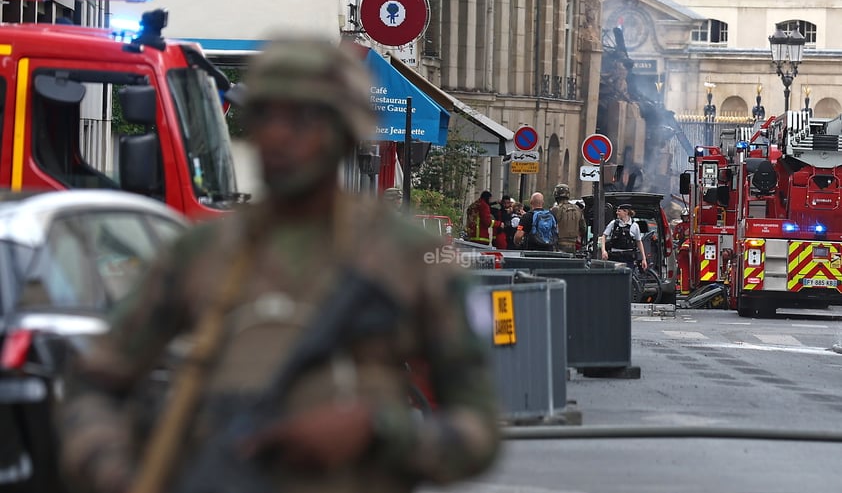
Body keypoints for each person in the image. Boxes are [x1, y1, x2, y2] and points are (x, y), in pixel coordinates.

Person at [57, 37, 500, 493]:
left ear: (343, 130)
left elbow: (479, 431)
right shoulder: (202, 254)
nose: (276, 136)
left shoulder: (412, 258)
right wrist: (116, 472)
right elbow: (94, 383)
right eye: (264, 116)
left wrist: (380, 432)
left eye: (301, 118)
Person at [600, 203, 648, 270]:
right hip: (614, 257)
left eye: (619, 211)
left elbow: (639, 242)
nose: (617, 213)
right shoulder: (614, 223)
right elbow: (604, 236)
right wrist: (603, 251)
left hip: (628, 258)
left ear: (626, 212)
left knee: (627, 277)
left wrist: (644, 259)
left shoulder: (634, 226)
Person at [550, 184, 586, 253]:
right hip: (573, 246)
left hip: (558, 246)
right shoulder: (578, 209)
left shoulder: (555, 210)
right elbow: (583, 228)